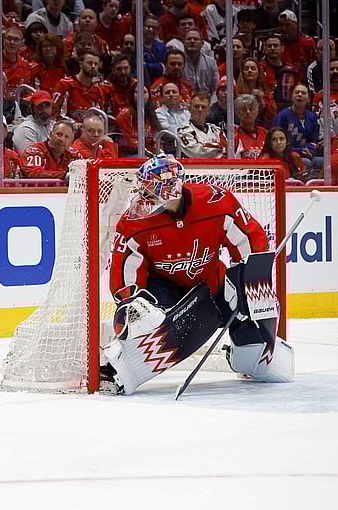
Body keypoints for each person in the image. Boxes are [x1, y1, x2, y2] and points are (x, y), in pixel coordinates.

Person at [101, 155, 294, 395]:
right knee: (143, 315)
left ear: (171, 189)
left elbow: (251, 240)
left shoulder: (216, 202)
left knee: (254, 317)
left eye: (150, 191)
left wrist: (249, 282)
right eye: (143, 189)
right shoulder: (134, 222)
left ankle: (251, 354)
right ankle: (119, 365)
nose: (143, 197)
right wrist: (130, 302)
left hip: (212, 285)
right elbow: (124, 269)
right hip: (164, 291)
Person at [272, 83, 322, 178]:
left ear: (308, 99)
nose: (299, 95)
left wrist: (310, 151)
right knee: (306, 163)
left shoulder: (312, 117)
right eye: (297, 92)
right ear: (292, 97)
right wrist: (299, 151)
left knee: (323, 162)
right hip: (288, 154)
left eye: (303, 93)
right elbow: (275, 141)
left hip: (308, 153)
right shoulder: (283, 116)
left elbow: (314, 141)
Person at [51, 50, 104, 122]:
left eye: (96, 64)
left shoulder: (97, 91)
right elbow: (54, 113)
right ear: (80, 64)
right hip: (66, 128)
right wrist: (72, 124)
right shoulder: (64, 84)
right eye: (89, 63)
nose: (93, 66)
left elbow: (100, 118)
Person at [116, 85, 161, 157]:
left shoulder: (152, 114)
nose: (141, 95)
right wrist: (149, 153)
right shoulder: (125, 114)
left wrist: (160, 152)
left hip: (149, 155)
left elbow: (157, 139)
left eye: (144, 92)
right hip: (128, 154)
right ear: (132, 95)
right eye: (137, 92)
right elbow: (128, 142)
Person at [177, 92, 225, 158]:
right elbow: (196, 153)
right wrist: (219, 147)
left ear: (208, 111)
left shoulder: (217, 130)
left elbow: (227, 149)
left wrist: (206, 146)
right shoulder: (183, 131)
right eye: (196, 106)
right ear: (190, 109)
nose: (200, 110)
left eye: (203, 107)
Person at [236, 57, 277, 126]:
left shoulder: (266, 93)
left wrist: (262, 102)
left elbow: (272, 116)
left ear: (259, 72)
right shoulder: (237, 92)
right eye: (246, 69)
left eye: (253, 68)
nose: (249, 71)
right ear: (242, 73)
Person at [233, 93, 267, 158]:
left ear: (257, 111)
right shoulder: (234, 136)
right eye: (244, 109)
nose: (248, 112)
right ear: (237, 113)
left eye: (251, 109)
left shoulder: (265, 133)